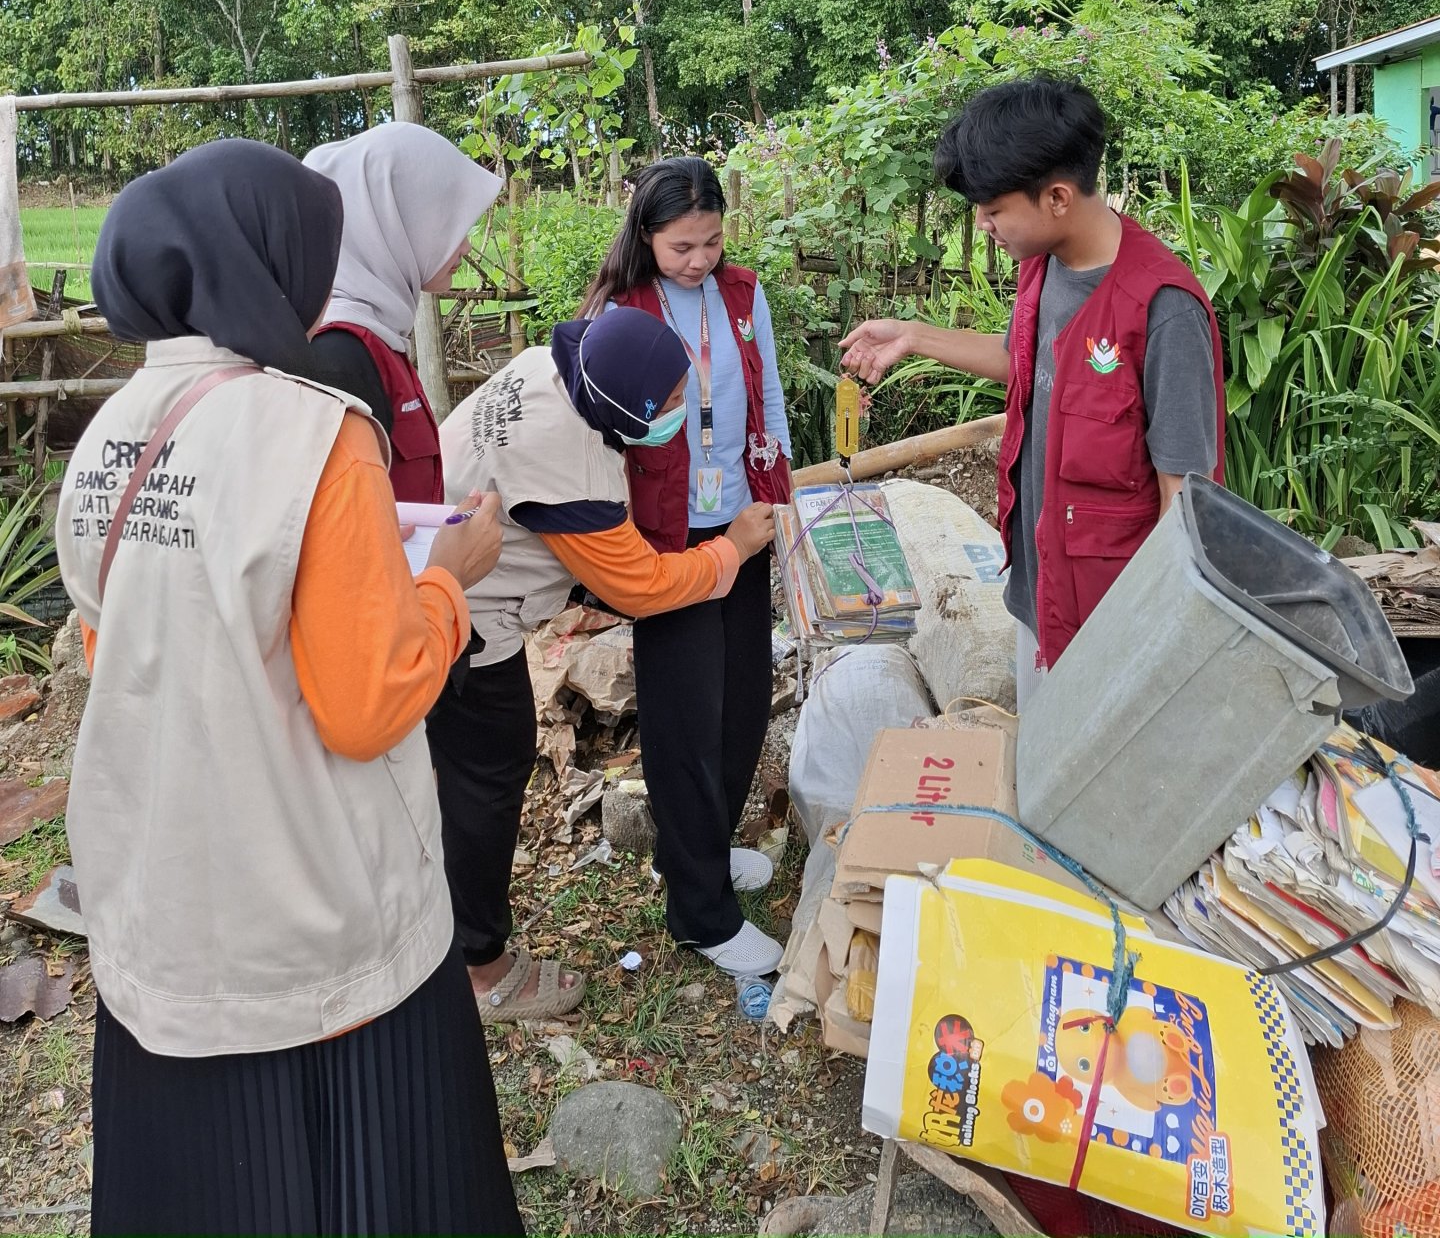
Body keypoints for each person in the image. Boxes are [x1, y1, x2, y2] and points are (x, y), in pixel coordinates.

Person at [55, 140, 520, 1238]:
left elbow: (107, 643)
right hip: (313, 928)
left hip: (161, 902)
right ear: (269, 264)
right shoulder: (314, 434)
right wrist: (449, 585)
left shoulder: (110, 433)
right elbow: (368, 700)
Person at [435, 306, 777, 1015]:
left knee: (476, 774)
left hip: (449, 575)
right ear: (629, 411)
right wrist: (732, 550)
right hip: (464, 619)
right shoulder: (567, 468)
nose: (684, 408)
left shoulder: (555, 365)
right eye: (673, 403)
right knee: (486, 779)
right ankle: (479, 964)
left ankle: (693, 860)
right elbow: (641, 588)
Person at [842, 78, 1224, 708]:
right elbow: (1028, 361)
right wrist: (912, 336)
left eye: (993, 211)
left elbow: (1184, 505)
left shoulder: (1163, 309)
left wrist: (1152, 642)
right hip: (1041, 594)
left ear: (1055, 197)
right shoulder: (1043, 266)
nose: (983, 225)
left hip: (1111, 624)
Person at [584, 157, 793, 978]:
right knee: (682, 720)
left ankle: (695, 852)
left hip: (742, 525)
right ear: (645, 235)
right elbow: (600, 432)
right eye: (680, 247)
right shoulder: (622, 307)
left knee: (741, 702)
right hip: (668, 536)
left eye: (710, 242)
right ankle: (701, 913)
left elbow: (767, 393)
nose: (698, 260)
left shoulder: (741, 296)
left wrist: (776, 495)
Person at [303, 123, 502, 494]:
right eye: (449, 225)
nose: (466, 248)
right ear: (400, 222)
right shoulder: (339, 358)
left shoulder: (380, 333)